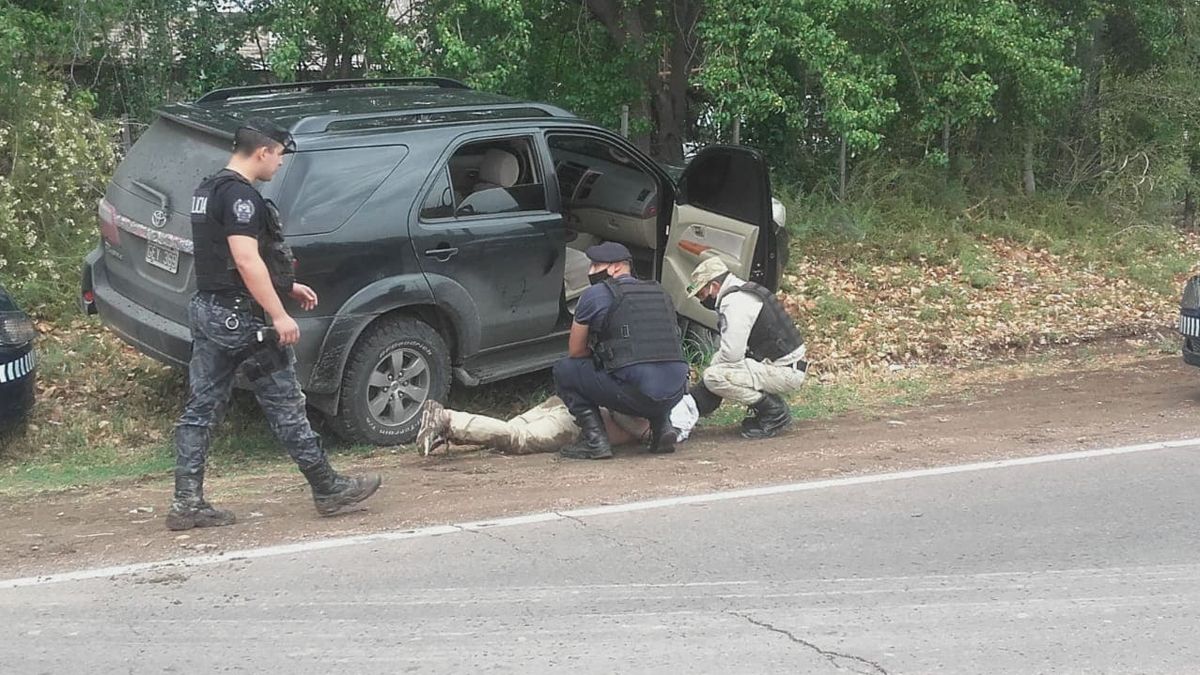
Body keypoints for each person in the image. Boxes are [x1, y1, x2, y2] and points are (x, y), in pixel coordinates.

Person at [169, 117, 380, 531]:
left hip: (210, 310)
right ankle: (328, 488)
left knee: (200, 409)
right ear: (263, 151)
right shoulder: (240, 198)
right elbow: (246, 259)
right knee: (285, 402)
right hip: (239, 320)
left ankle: (186, 502)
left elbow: (225, 262)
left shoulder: (208, 189)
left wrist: (287, 286)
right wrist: (279, 315)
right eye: (279, 155)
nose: (280, 163)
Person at [552, 242, 690, 460]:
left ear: (615, 267)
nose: (590, 271)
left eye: (596, 265)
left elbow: (576, 351)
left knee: (565, 369)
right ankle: (662, 428)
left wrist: (603, 357)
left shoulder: (595, 295)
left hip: (638, 393)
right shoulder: (660, 292)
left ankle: (595, 441)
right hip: (676, 390)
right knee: (652, 364)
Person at [688, 254, 807, 439]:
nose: (701, 300)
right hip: (784, 364)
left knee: (713, 377)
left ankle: (774, 412)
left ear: (715, 286)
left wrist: (707, 376)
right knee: (717, 371)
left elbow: (731, 355)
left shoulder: (734, 302)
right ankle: (769, 408)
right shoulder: (744, 292)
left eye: (702, 294)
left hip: (785, 371)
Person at [415, 393, 700, 456]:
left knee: (506, 432)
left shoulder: (663, 383)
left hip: (569, 402)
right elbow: (645, 431)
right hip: (580, 420)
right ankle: (450, 420)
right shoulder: (682, 413)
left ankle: (451, 429)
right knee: (518, 439)